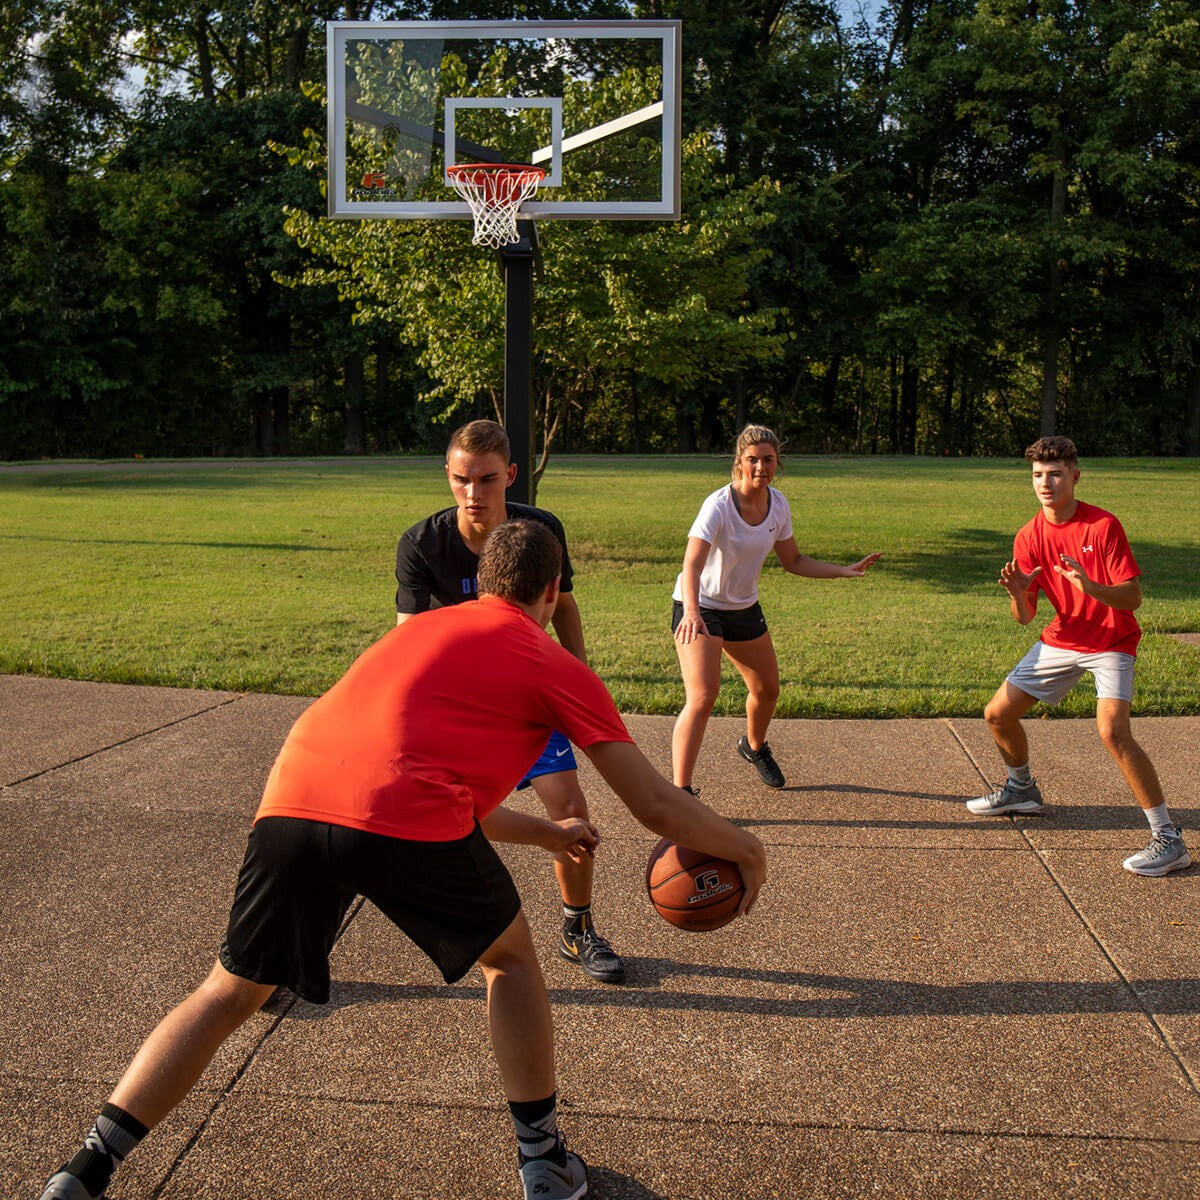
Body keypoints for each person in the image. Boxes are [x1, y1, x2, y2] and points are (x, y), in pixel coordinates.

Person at [38, 520, 767, 1200]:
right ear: (552, 592)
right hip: (395, 814)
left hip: (292, 798)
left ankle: (84, 1171)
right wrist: (748, 850)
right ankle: (544, 1163)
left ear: (482, 582)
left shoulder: (419, 634)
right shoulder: (550, 661)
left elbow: (436, 786)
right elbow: (655, 807)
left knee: (228, 992)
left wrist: (549, 836)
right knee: (508, 961)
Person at [394, 420, 626, 983]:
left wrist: (578, 678)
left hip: (526, 694)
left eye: (487, 479)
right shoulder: (422, 543)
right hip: (459, 703)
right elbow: (407, 638)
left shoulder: (539, 530)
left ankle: (577, 929)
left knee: (572, 810)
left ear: (510, 475)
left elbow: (564, 605)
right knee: (378, 821)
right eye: (460, 479)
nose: (473, 493)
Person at [967, 435, 1190, 876]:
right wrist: (1017, 594)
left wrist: (1091, 588)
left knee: (1113, 732)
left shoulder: (1102, 527)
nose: (1045, 483)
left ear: (1074, 476)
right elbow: (1025, 616)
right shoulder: (1029, 535)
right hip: (1062, 638)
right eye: (1037, 476)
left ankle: (1169, 838)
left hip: (1110, 641)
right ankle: (1021, 789)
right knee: (998, 714)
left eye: (1054, 474)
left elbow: (1133, 598)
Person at [671, 424, 881, 793]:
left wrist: (844, 571)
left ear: (777, 463)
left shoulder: (778, 504)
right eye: (752, 460)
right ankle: (681, 794)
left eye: (768, 460)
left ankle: (753, 747)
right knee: (703, 695)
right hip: (701, 606)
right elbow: (692, 565)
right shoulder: (718, 506)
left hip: (743, 608)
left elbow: (794, 560)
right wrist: (691, 612)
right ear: (739, 462)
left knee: (767, 690)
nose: (760, 467)